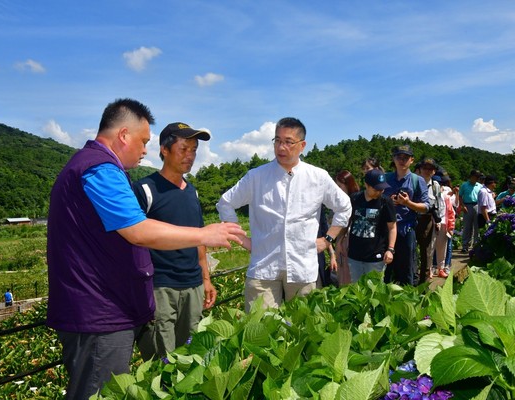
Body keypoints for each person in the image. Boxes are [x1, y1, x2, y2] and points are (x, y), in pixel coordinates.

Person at [46, 99, 245, 400]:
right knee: (101, 392)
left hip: (105, 311)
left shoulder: (94, 166)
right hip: (99, 314)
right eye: (143, 142)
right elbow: (138, 231)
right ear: (124, 135)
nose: (144, 150)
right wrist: (204, 234)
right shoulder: (100, 168)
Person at [216, 117, 352, 312]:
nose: (281, 147)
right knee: (260, 330)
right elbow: (225, 203)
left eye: (288, 142)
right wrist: (241, 238)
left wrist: (328, 239)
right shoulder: (257, 176)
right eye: (277, 141)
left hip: (303, 267)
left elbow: (344, 206)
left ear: (302, 145)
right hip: (264, 267)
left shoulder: (317, 177)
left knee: (303, 330)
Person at [132, 122, 217, 361]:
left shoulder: (192, 191)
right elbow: (134, 240)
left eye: (194, 150)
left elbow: (200, 237)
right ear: (164, 150)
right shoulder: (145, 190)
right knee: (162, 359)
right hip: (160, 287)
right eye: (183, 149)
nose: (190, 156)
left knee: (191, 354)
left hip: (192, 286)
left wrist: (206, 279)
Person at [383, 145, 430, 286]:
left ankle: (407, 301)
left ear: (411, 160)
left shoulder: (417, 180)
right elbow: (376, 200)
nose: (402, 160)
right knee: (386, 271)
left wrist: (408, 202)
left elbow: (425, 207)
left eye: (405, 158)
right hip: (386, 231)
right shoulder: (386, 178)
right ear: (394, 159)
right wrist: (388, 202)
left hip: (406, 230)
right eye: (399, 157)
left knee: (407, 270)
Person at [347, 169, 397, 282]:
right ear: (366, 185)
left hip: (376, 256)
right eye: (376, 189)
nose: (379, 192)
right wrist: (340, 242)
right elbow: (346, 222)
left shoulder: (386, 202)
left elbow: (392, 227)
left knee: (374, 292)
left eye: (382, 189)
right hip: (354, 255)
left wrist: (390, 249)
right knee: (356, 290)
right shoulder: (354, 199)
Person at [415, 158, 444, 284]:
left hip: (427, 220)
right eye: (425, 168)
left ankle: (424, 283)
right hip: (413, 219)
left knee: (427, 252)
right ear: (420, 169)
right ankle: (412, 279)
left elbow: (438, 203)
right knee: (411, 250)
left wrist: (438, 221)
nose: (427, 171)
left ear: (434, 171)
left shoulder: (435, 185)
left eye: (430, 169)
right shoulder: (413, 182)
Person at [334, 170, 360, 286]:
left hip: (352, 239)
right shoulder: (336, 201)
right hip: (341, 240)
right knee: (342, 272)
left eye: (340, 186)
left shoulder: (357, 199)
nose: (337, 189)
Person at [458, 169, 482, 252]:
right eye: (476, 177)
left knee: (477, 226)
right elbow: (460, 196)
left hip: (477, 205)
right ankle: (465, 245)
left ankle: (476, 245)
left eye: (478, 177)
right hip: (467, 205)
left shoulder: (479, 186)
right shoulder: (464, 185)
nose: (477, 179)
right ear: (471, 176)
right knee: (467, 227)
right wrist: (462, 206)